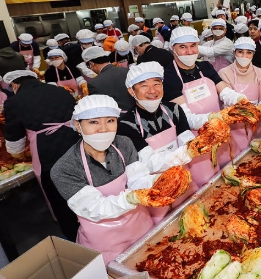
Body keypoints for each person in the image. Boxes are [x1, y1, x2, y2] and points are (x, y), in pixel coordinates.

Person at [51, 95, 162, 264]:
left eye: (110, 120)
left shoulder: (124, 143)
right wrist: (132, 197)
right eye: (93, 122)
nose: (103, 129)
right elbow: (95, 208)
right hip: (107, 244)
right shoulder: (64, 168)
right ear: (77, 125)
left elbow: (138, 178)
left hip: (141, 227)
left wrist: (157, 182)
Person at [162, 27, 247, 185]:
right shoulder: (169, 77)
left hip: (222, 132)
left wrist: (240, 99)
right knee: (210, 185)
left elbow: (224, 91)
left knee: (233, 174)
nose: (189, 51)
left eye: (193, 46)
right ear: (173, 48)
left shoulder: (205, 67)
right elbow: (185, 118)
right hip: (197, 141)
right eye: (183, 47)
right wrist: (214, 117)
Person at [3, 70, 80, 242]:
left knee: (59, 196)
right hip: (76, 142)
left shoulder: (14, 102)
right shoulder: (60, 91)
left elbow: (14, 141)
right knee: (82, 182)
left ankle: (73, 234)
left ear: (15, 84)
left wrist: (17, 154)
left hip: (47, 153)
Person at [118, 63, 198, 224]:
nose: (152, 90)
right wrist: (187, 152)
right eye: (144, 85)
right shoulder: (126, 124)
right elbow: (149, 163)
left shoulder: (174, 109)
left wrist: (195, 145)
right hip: (155, 189)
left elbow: (186, 138)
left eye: (156, 83)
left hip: (185, 180)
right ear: (131, 91)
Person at [82, 46, 135, 112]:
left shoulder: (94, 84)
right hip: (136, 112)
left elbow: (99, 108)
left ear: (91, 64)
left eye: (88, 67)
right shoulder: (128, 71)